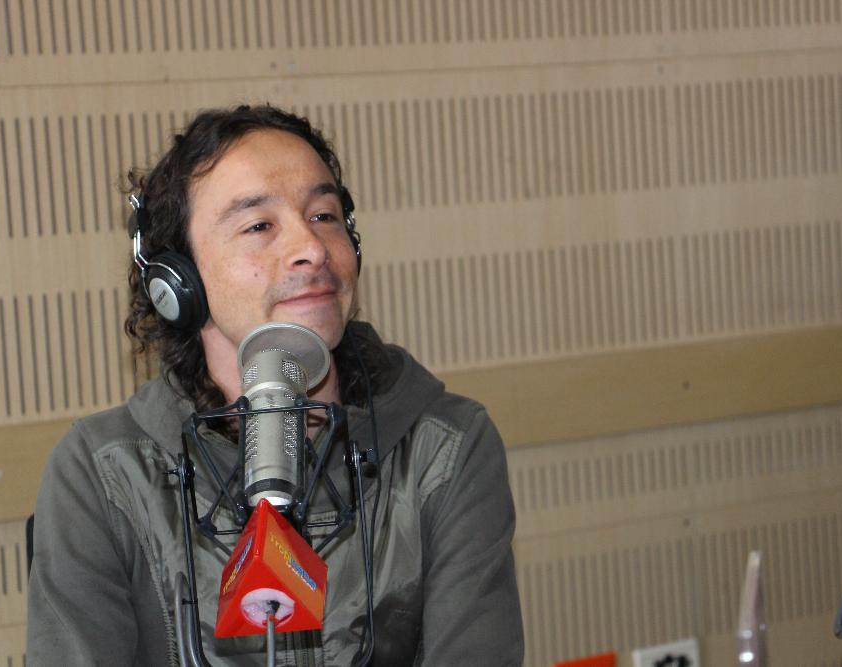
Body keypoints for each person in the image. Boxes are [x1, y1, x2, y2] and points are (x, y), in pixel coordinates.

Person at [26, 104, 524, 666]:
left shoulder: (446, 446)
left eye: (324, 216)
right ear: (179, 280)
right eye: (259, 226)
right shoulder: (102, 474)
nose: (312, 248)